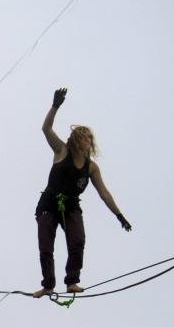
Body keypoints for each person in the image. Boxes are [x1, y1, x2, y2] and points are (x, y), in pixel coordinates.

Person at [32, 87, 132, 297]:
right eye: (85, 137)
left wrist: (119, 216)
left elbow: (104, 194)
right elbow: (46, 128)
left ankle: (72, 281)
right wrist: (55, 106)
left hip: (71, 206)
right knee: (46, 246)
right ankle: (48, 284)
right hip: (49, 203)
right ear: (77, 139)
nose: (89, 141)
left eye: (90, 138)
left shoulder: (91, 168)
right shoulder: (62, 150)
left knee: (77, 241)